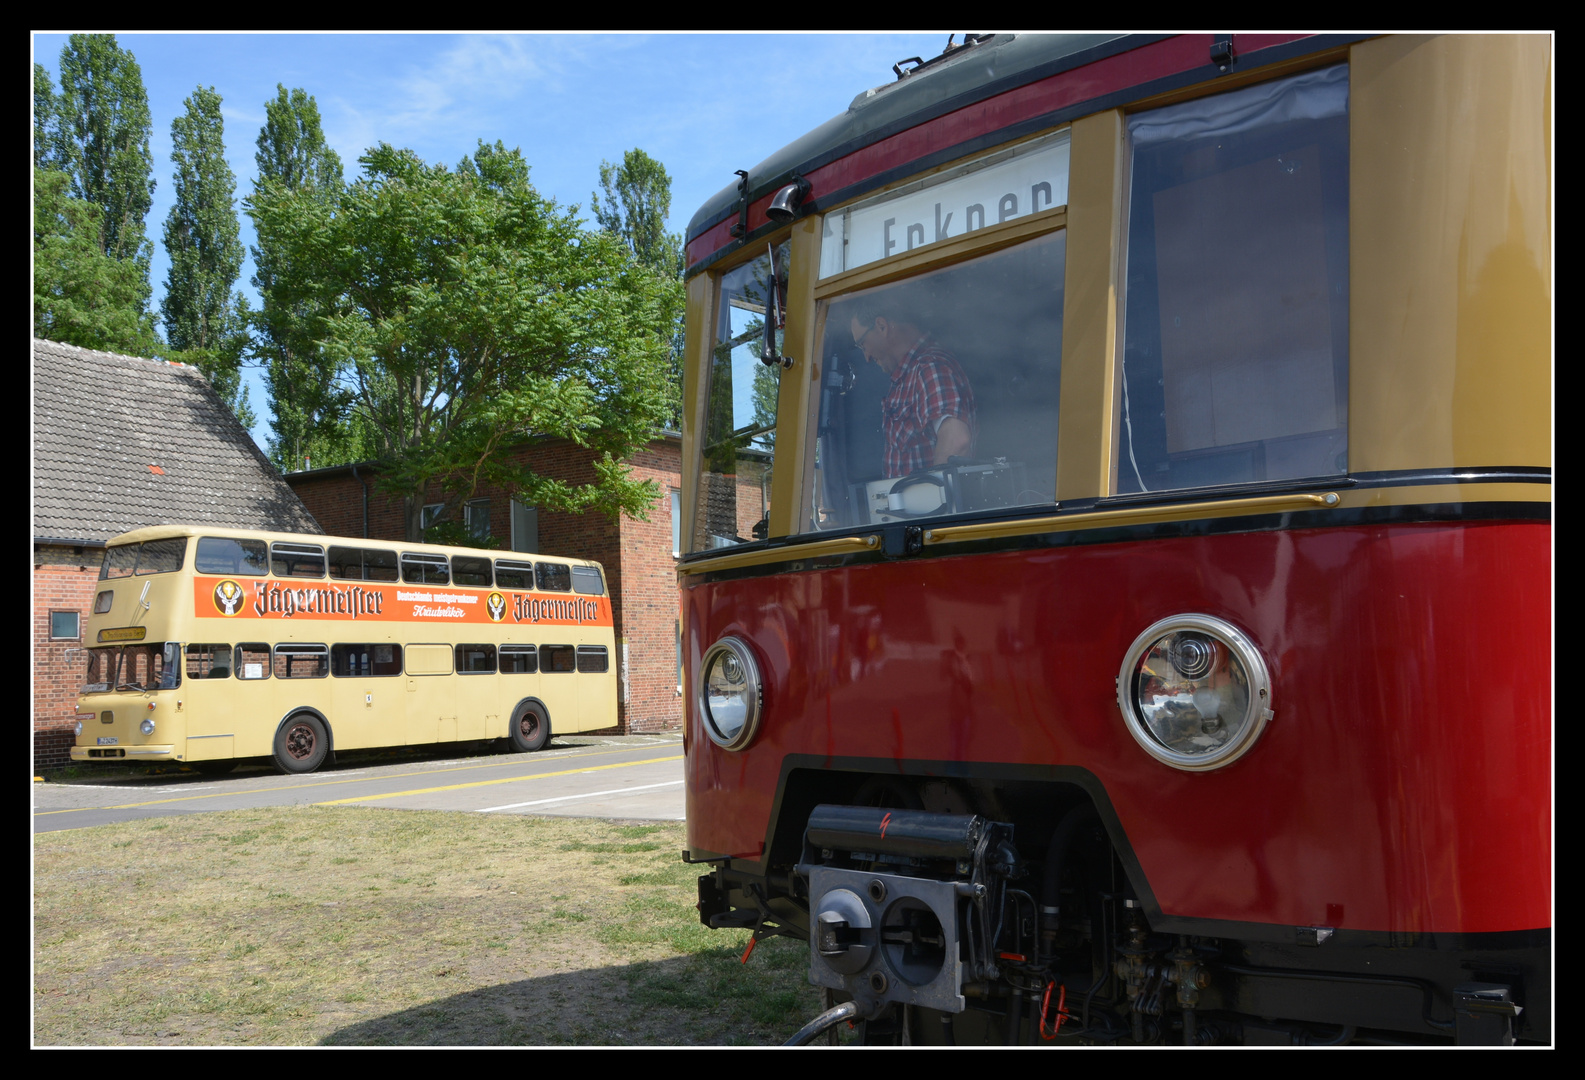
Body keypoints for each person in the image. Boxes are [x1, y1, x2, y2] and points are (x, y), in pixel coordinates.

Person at [849, 307, 976, 478]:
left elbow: (957, 441)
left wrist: (930, 499)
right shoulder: (911, 373)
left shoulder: (929, 366)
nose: (867, 357)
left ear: (881, 326)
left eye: (863, 345)